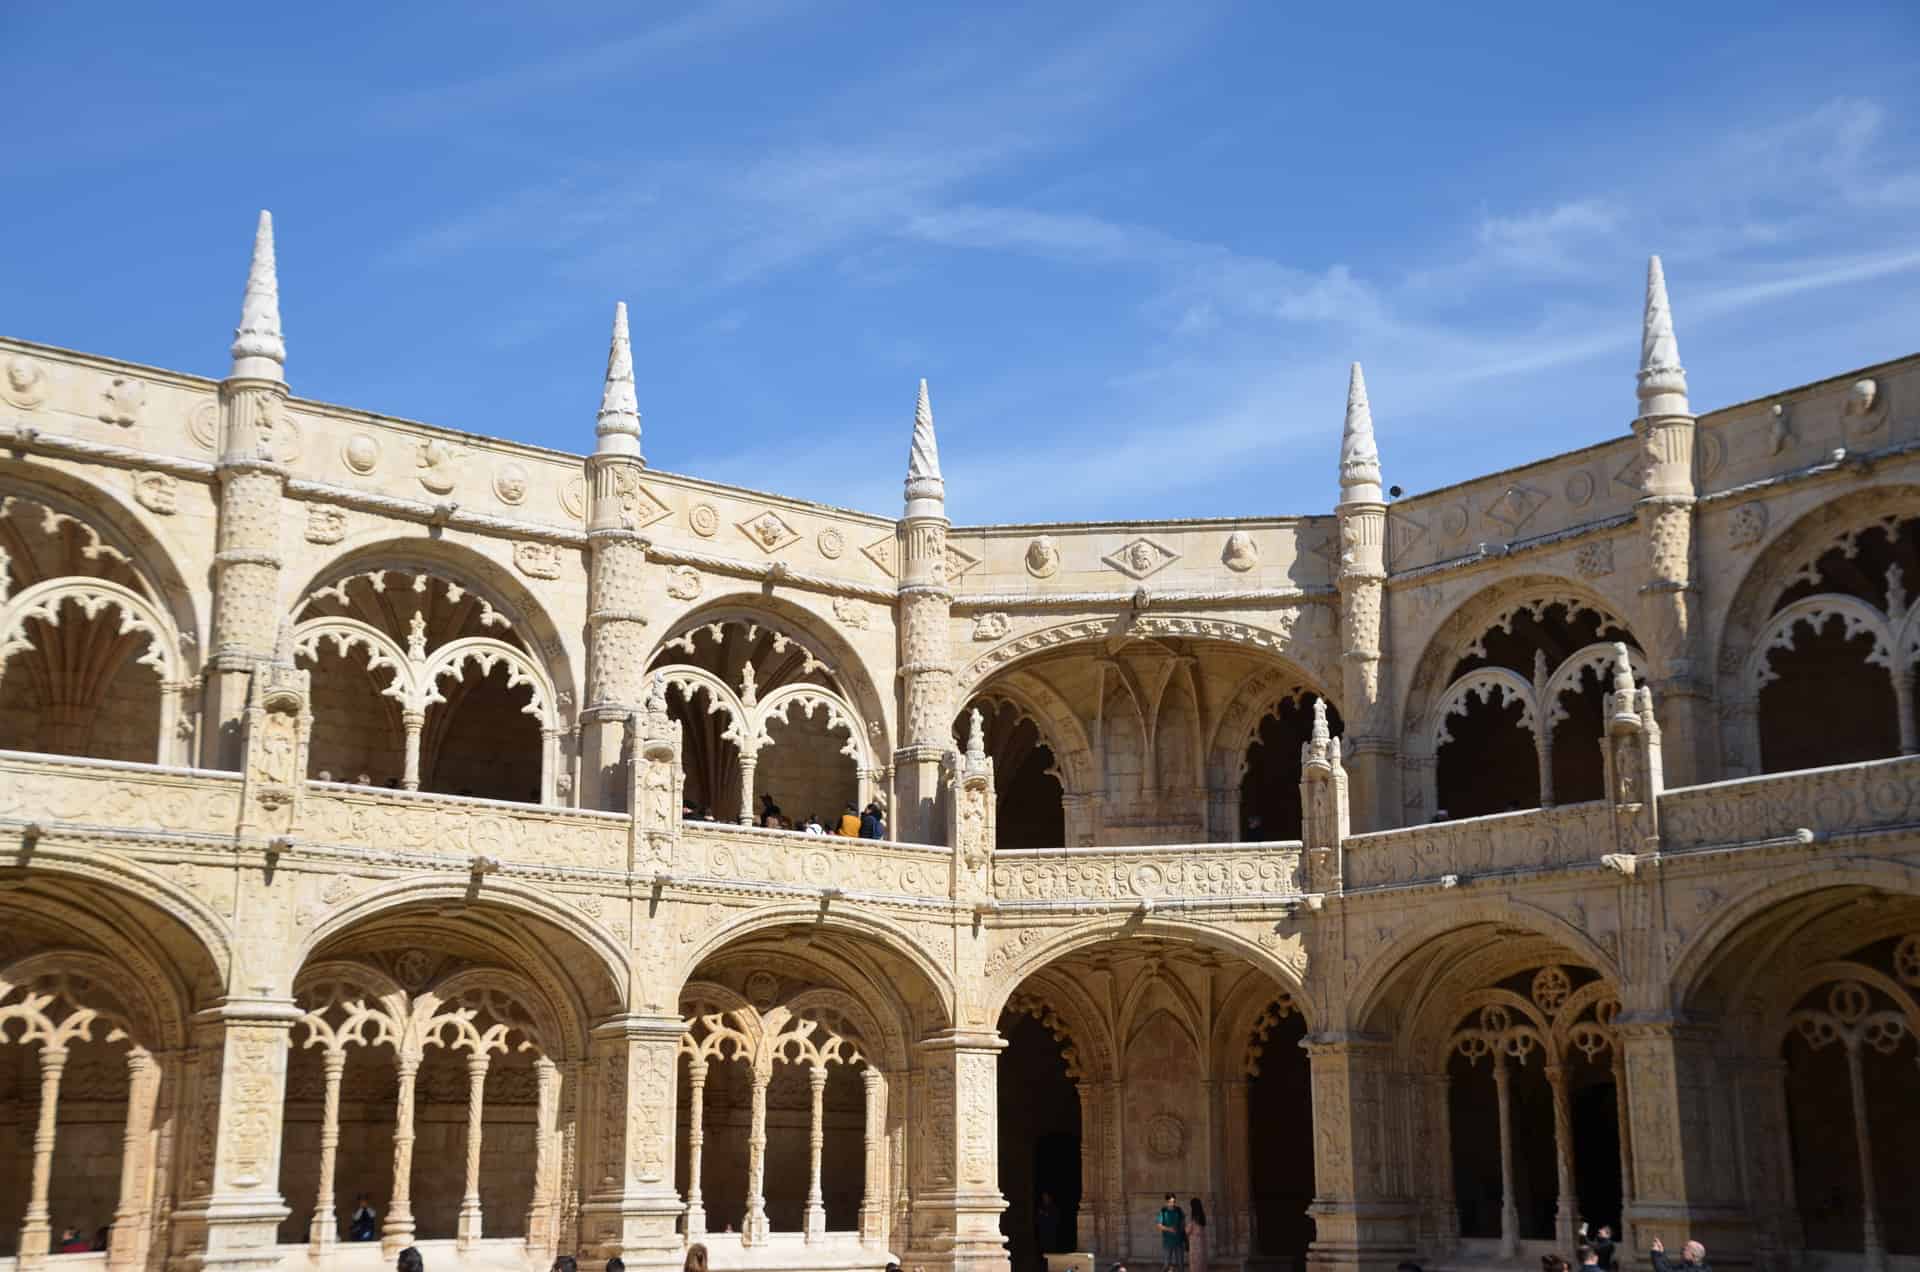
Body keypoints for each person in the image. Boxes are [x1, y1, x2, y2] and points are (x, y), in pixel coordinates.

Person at [1155, 1195, 1186, 1272]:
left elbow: (1183, 1223)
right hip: (1167, 1242)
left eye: (1174, 1201)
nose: (1172, 1203)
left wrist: (1184, 1234)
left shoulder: (1179, 1210)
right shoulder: (1163, 1211)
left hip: (1179, 1242)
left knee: (1181, 1265)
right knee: (1166, 1264)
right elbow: (1159, 1225)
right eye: (1170, 1202)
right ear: (1166, 1202)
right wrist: (1169, 1229)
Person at [1035, 1191, 1060, 1260]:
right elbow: (1038, 1220)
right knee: (1043, 1250)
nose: (1045, 1199)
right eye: (1043, 1197)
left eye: (1046, 1197)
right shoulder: (1041, 1207)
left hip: (1051, 1233)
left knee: (1051, 1250)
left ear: (1049, 1198)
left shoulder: (1053, 1208)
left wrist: (1045, 1214)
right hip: (1043, 1233)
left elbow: (1055, 1219)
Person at [1186, 1198, 1208, 1272]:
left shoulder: (1194, 1219)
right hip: (1201, 1245)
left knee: (1195, 1266)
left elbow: (1187, 1231)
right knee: (1201, 1264)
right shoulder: (1202, 1217)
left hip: (1195, 1246)